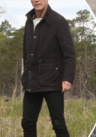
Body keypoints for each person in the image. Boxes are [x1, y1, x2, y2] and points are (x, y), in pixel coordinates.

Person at [21, 0, 76, 136]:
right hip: (32, 82)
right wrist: (25, 76)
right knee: (27, 123)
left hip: (53, 82)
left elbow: (69, 54)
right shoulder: (29, 21)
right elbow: (26, 52)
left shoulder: (58, 21)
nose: (37, 0)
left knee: (58, 123)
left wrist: (68, 78)